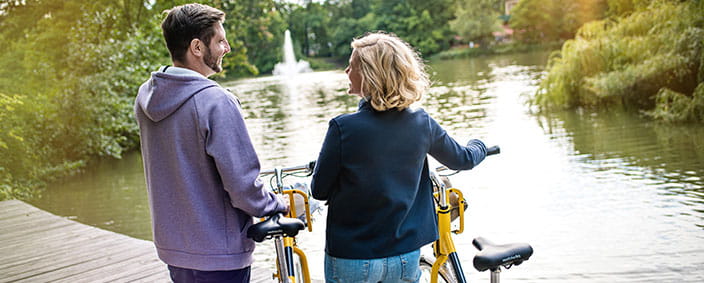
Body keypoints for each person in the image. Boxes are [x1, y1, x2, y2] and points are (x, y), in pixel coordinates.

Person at [310, 32, 489, 283]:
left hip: (354, 257)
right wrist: (479, 145)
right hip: (405, 256)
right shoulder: (421, 123)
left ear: (370, 74)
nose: (347, 71)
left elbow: (319, 190)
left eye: (352, 66)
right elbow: (463, 159)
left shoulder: (343, 128)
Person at [134, 4, 288, 282]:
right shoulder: (216, 101)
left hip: (174, 250)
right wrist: (275, 205)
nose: (226, 47)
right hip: (219, 254)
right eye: (219, 40)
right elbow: (243, 186)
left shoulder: (146, 96)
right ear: (196, 47)